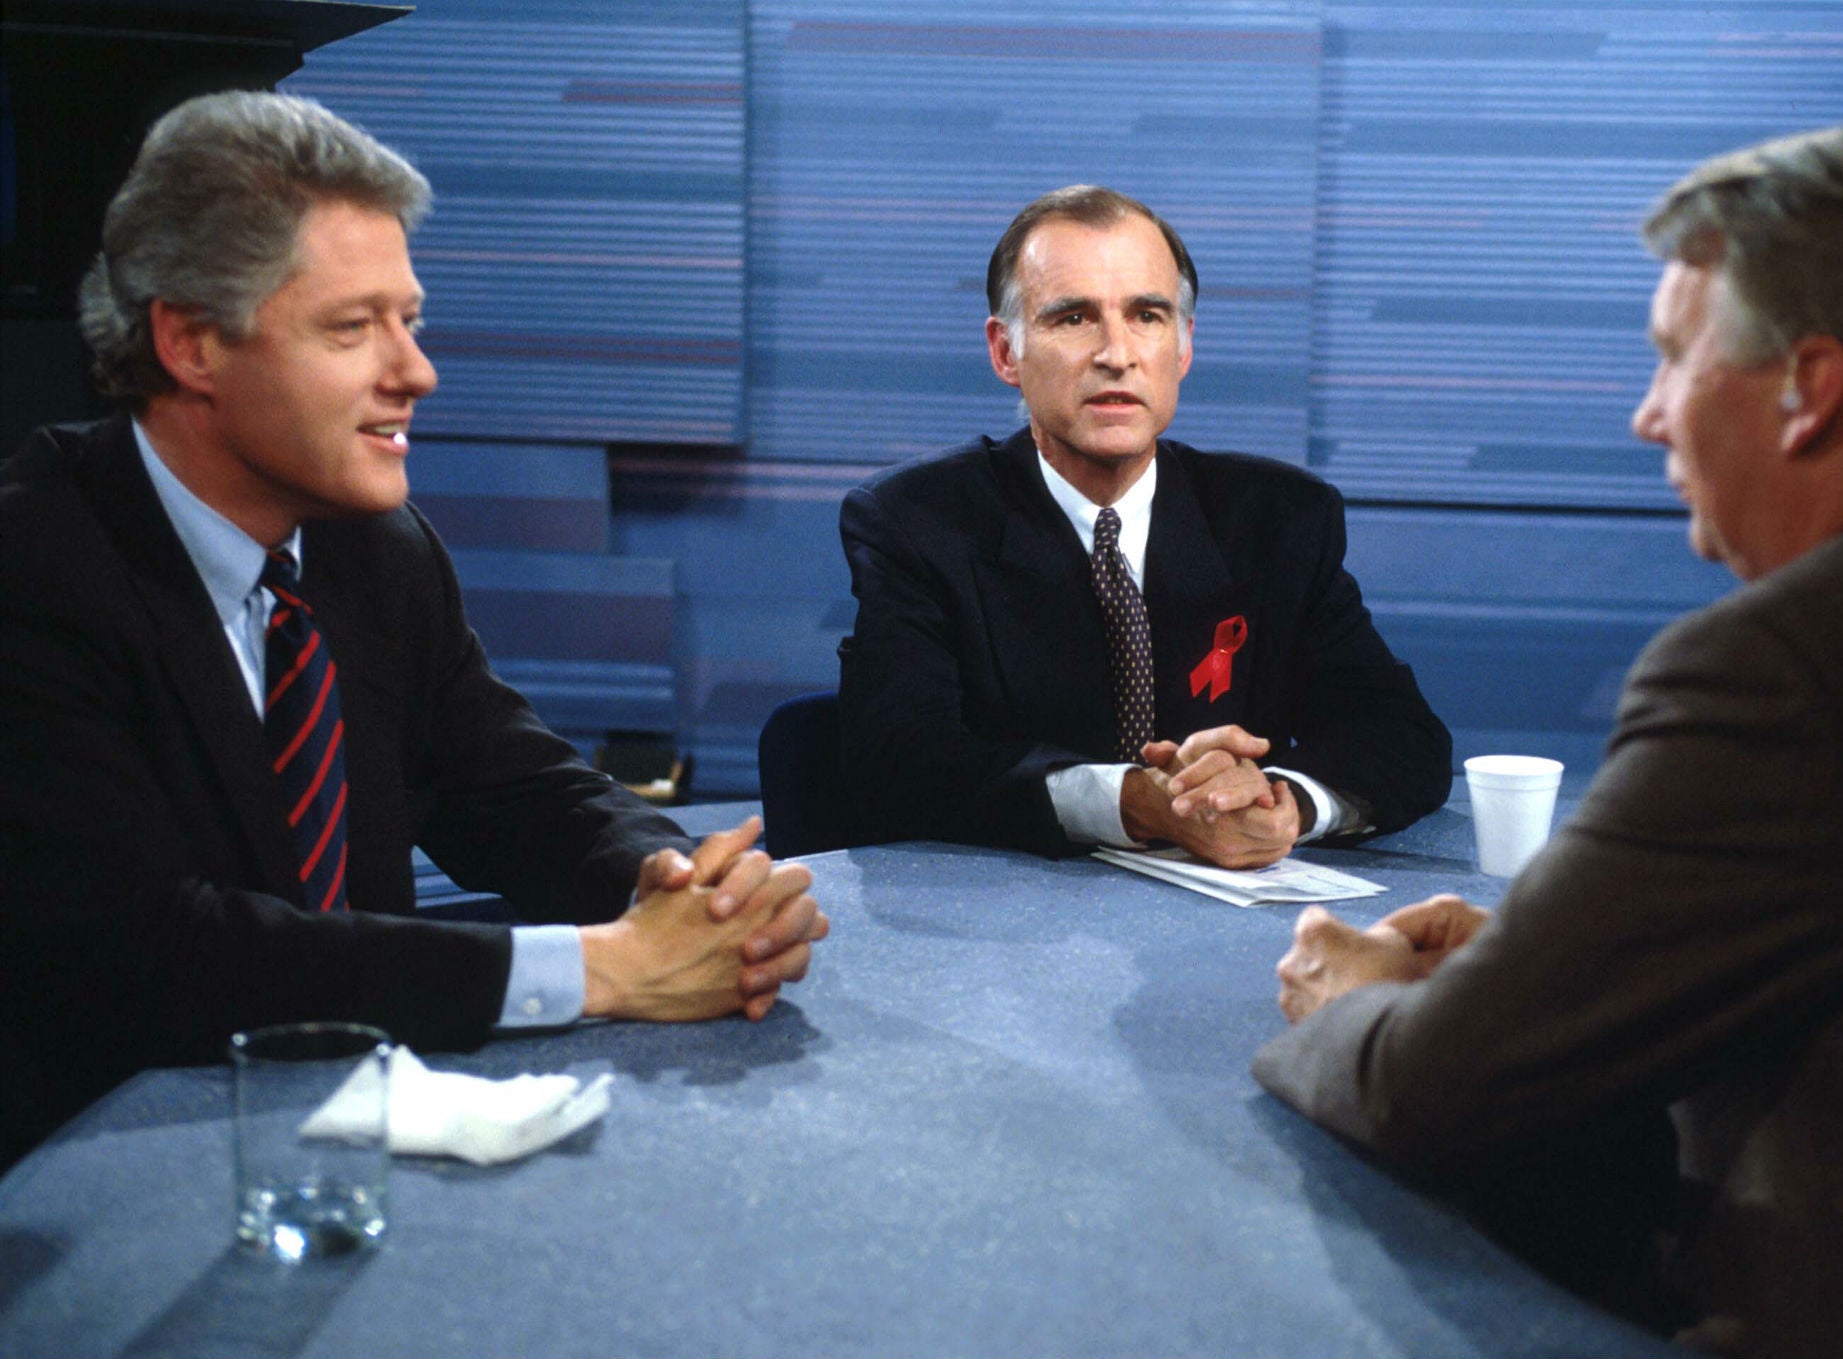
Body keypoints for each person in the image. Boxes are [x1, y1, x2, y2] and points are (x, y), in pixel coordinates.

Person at [1253, 126, 1843, 1359]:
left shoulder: (1784, 669)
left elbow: (1426, 1088)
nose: (1645, 417)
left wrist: (1342, 1006)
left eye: (1674, 358)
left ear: (1808, 387)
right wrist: (1553, 959)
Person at [0, 92, 828, 1169]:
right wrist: (607, 969)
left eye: (411, 319)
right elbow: (149, 955)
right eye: (352, 328)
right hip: (90, 1184)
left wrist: (676, 889)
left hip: (354, 1147)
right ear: (191, 342)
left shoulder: (375, 550)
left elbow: (513, 788)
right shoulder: (33, 567)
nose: (416, 373)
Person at [838, 186, 1451, 868]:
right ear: (1006, 352)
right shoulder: (916, 524)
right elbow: (896, 763)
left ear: (1183, 348)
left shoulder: (1280, 522)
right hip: (1006, 935)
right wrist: (1133, 801)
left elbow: (1405, 737)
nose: (1117, 353)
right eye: (1073, 318)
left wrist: (1283, 802)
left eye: (1147, 316)